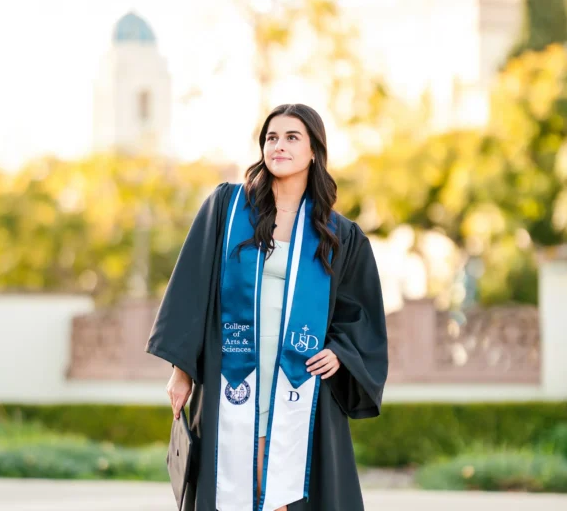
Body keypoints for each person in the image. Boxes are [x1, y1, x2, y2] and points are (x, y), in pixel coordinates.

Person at [146, 103, 389, 511]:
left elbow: (359, 312)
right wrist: (181, 370)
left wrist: (341, 352)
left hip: (299, 381)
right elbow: (192, 287)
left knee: (285, 490)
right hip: (234, 373)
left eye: (292, 137)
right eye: (271, 138)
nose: (278, 145)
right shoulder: (228, 209)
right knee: (239, 479)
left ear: (314, 151)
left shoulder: (337, 234)